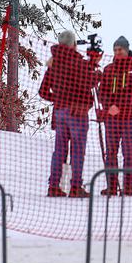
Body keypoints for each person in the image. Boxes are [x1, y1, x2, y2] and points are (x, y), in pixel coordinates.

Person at [39, 30, 102, 198]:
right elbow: (89, 82)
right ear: (73, 44)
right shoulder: (78, 62)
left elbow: (43, 91)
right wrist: (96, 70)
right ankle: (75, 187)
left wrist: (59, 99)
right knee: (77, 150)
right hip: (77, 112)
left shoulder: (53, 63)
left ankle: (54, 186)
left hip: (60, 112)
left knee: (59, 150)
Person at [97, 35, 132, 196]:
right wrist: (108, 107)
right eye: (115, 50)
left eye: (120, 49)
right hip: (112, 119)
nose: (117, 52)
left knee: (128, 151)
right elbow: (102, 92)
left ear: (126, 50)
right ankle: (111, 185)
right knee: (111, 151)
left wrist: (117, 106)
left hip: (130, 118)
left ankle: (128, 186)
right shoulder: (109, 69)